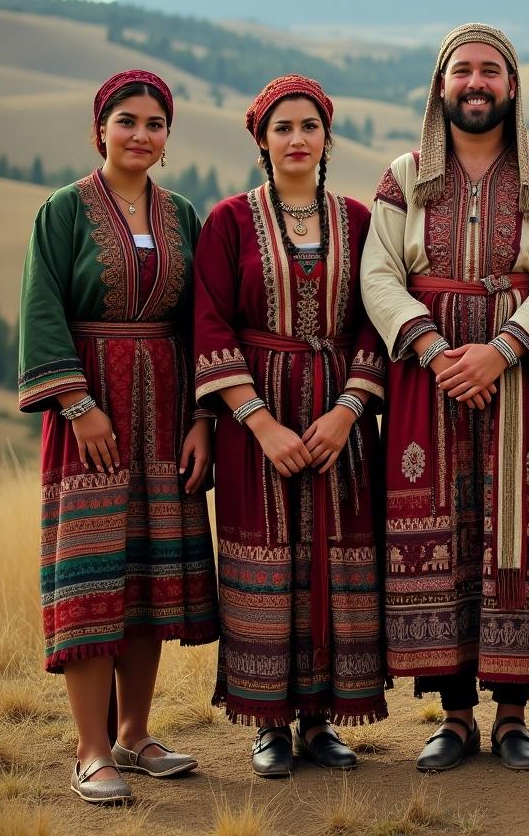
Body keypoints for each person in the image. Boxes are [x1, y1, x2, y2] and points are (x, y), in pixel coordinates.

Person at [361, 23, 529, 772]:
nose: (476, 83)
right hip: (431, 378)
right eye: (463, 71)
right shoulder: (403, 176)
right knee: (441, 534)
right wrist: (431, 346)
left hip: (520, 378)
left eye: (491, 71)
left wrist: (500, 351)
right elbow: (379, 275)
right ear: (441, 84)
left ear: (512, 86)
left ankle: (515, 715)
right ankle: (453, 716)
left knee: (517, 541)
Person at [18, 69, 218, 806]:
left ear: (167, 140)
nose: (141, 133)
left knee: (149, 578)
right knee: (92, 577)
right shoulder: (63, 211)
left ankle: (135, 735)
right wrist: (76, 402)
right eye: (126, 120)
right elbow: (42, 308)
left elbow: (201, 320)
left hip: (167, 413)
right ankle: (90, 750)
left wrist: (203, 417)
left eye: (155, 123)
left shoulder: (182, 215)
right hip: (91, 418)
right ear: (100, 128)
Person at [193, 75, 387, 778]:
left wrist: (348, 408)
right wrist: (259, 423)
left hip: (343, 419)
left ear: (327, 137)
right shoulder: (228, 223)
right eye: (283, 128)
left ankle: (322, 720)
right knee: (264, 562)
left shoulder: (360, 221)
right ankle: (268, 723)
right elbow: (210, 320)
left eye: (309, 125)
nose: (297, 139)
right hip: (256, 422)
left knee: (337, 562)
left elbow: (376, 317)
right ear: (261, 142)